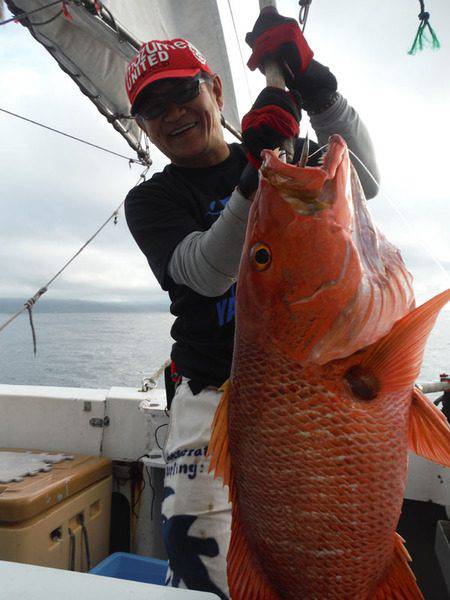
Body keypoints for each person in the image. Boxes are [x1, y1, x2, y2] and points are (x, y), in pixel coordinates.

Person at [124, 9, 379, 598]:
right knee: (201, 566)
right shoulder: (152, 201)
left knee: (317, 547)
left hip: (308, 394)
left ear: (214, 89)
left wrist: (320, 90)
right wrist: (253, 173)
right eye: (152, 108)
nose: (173, 114)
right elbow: (206, 273)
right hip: (209, 398)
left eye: (183, 92)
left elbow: (364, 184)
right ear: (142, 124)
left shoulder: (289, 156)